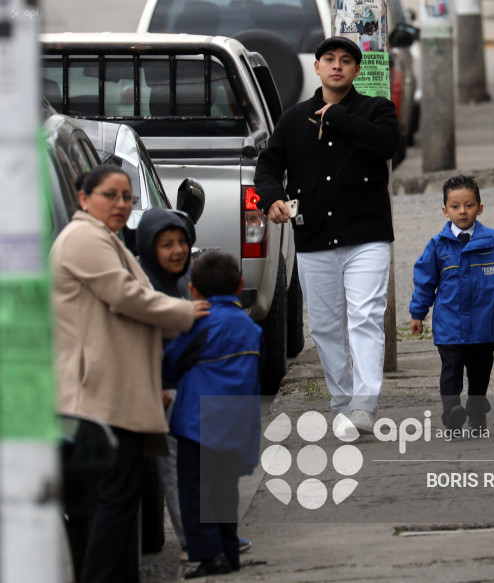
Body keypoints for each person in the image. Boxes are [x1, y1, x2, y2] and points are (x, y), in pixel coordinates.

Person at [50, 164, 210, 583]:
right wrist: (185, 313)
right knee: (113, 503)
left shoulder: (105, 238)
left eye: (127, 198)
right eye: (110, 195)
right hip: (99, 396)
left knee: (119, 504)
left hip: (116, 392)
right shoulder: (84, 238)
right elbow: (128, 297)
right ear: (84, 199)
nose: (120, 204)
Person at [254, 36, 400, 434]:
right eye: (329, 60)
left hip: (367, 235)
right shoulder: (292, 119)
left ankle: (365, 404)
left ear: (356, 70)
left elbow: (387, 144)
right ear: (316, 67)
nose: (337, 66)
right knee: (325, 326)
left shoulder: (376, 110)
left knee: (365, 317)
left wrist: (336, 117)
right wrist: (271, 199)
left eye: (347, 61)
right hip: (314, 236)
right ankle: (342, 402)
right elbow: (267, 166)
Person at [410, 175, 494, 433]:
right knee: (451, 373)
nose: (462, 211)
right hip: (450, 327)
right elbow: (424, 281)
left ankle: (477, 413)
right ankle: (452, 415)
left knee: (480, 374)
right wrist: (418, 314)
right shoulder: (438, 246)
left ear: (480, 208)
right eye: (456, 206)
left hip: (484, 326)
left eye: (469, 205)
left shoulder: (493, 239)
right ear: (445, 210)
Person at [163, 250, 262, 579]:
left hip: (198, 422)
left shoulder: (199, 324)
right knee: (224, 492)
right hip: (236, 423)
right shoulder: (251, 329)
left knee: (195, 493)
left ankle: (208, 555)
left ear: (193, 290)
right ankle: (229, 551)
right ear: (241, 285)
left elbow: (172, 363)